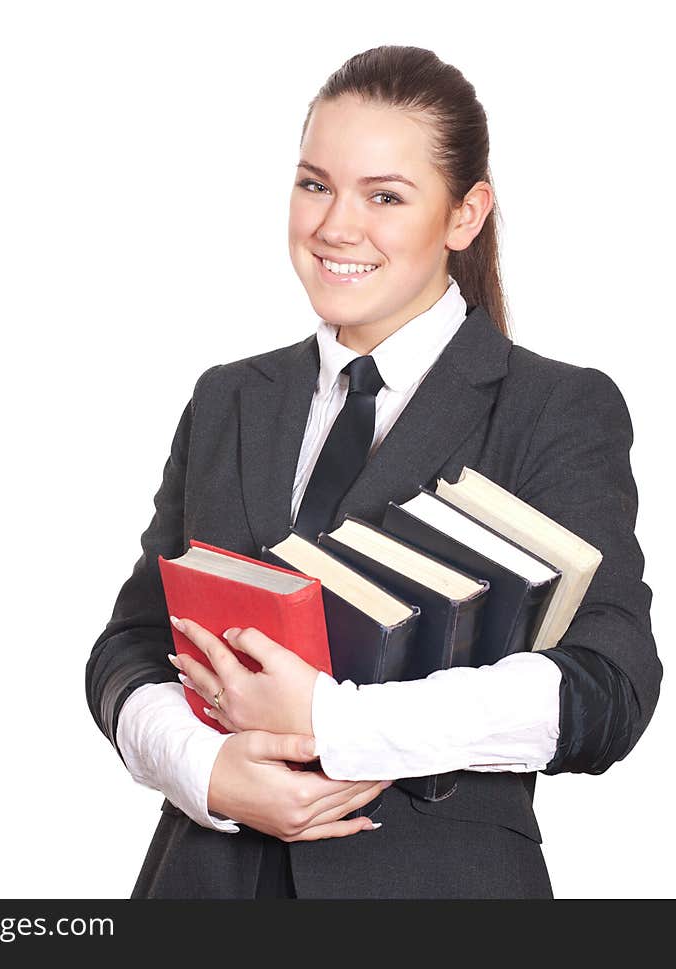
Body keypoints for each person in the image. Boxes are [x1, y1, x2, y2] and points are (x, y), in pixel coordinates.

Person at [85, 45, 661, 899]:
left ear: (466, 215)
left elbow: (609, 687)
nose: (334, 227)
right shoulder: (230, 399)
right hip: (201, 885)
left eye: (385, 196)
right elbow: (130, 645)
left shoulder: (551, 407)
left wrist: (334, 722)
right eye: (315, 184)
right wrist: (206, 770)